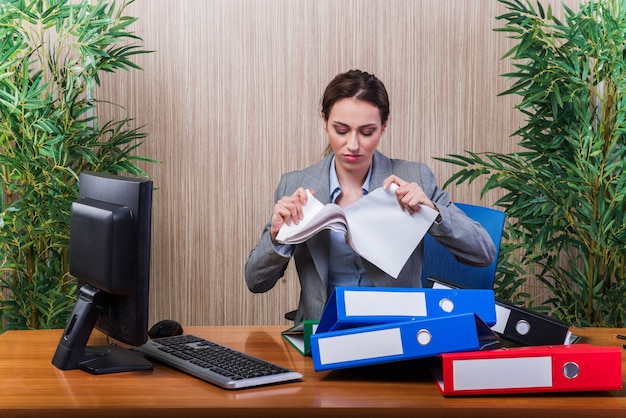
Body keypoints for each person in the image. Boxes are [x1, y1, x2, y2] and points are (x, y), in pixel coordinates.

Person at [245, 69, 496, 323]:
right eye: (341, 130)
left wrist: (431, 210)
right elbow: (256, 281)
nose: (353, 144)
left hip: (398, 336)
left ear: (383, 126)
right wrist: (277, 238)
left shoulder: (414, 177)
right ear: (324, 121)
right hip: (320, 336)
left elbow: (483, 253)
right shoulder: (296, 185)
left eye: (366, 132)